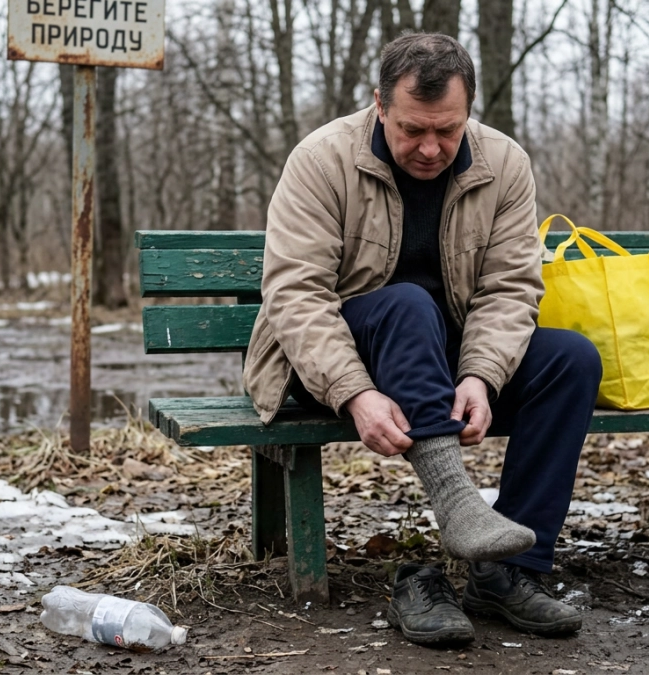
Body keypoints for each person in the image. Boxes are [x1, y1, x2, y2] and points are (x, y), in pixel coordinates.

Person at [242, 32, 602, 646]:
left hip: (443, 363)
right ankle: (456, 501)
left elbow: (510, 289)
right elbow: (296, 296)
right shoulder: (323, 158)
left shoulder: (504, 162)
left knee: (570, 359)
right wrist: (355, 392)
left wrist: (481, 376)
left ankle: (510, 572)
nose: (431, 148)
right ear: (379, 104)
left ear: (468, 112)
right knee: (408, 303)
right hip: (332, 360)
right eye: (412, 129)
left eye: (448, 130)